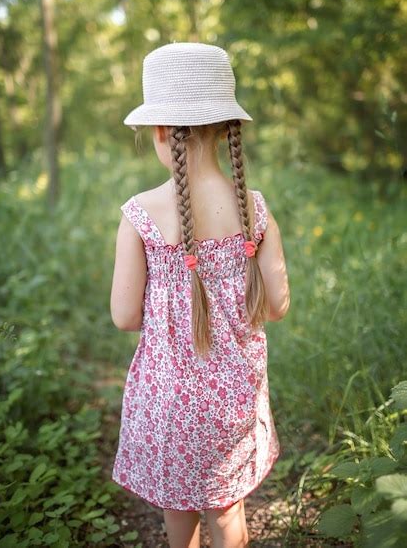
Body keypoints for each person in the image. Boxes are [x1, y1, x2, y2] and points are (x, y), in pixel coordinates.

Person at [110, 42, 290, 548]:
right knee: (228, 510)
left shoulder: (140, 215)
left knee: (179, 514)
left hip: (168, 406)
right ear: (225, 128)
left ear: (162, 132)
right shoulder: (255, 209)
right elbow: (277, 306)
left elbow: (124, 316)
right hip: (234, 401)